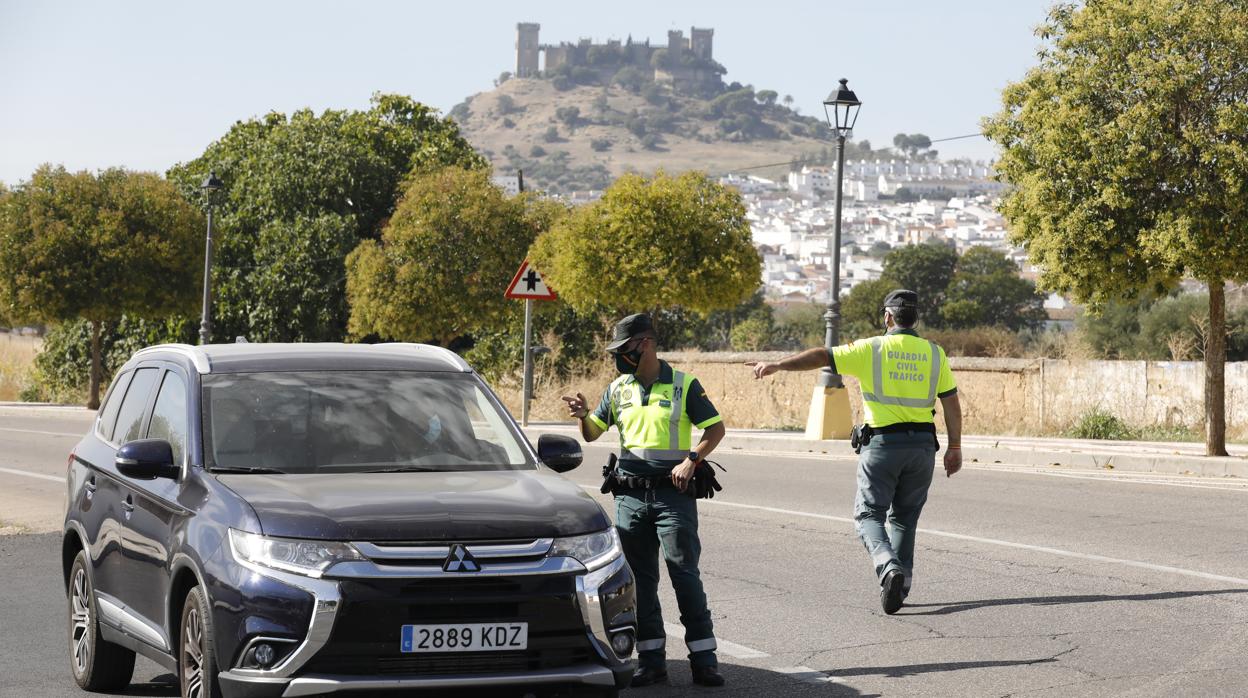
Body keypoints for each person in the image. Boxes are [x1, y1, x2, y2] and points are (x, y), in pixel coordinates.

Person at [747, 289, 962, 614]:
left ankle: (888, 566)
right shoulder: (935, 354)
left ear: (887, 317)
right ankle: (901, 585)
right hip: (922, 448)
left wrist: (778, 364)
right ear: (914, 318)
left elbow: (822, 355)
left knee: (868, 514)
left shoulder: (871, 348)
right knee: (905, 519)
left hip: (883, 446)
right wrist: (955, 446)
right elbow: (951, 403)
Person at [562, 313, 728, 688]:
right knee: (640, 583)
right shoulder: (618, 388)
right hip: (630, 499)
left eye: (625, 349)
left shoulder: (684, 385)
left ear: (646, 344)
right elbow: (592, 434)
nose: (620, 357)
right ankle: (651, 661)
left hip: (673, 496)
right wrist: (583, 414)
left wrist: (692, 460)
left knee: (684, 575)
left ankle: (704, 659)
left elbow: (715, 428)